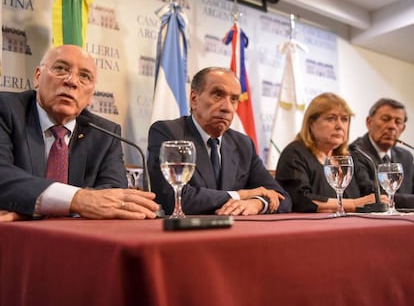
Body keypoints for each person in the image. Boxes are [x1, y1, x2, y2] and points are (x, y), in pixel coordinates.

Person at [0, 44, 159, 221]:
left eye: (84, 76)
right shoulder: (6, 110)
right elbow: (3, 175)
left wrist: (35, 208)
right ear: (37, 77)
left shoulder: (105, 133)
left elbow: (112, 192)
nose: (72, 81)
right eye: (60, 69)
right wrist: (78, 200)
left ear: (91, 96)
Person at [147, 67, 292, 215]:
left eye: (234, 99)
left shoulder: (243, 144)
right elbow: (173, 198)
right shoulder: (168, 133)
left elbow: (283, 198)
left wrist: (258, 203)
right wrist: (241, 195)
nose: (227, 108)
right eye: (217, 95)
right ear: (194, 99)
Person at [275, 92, 386, 213]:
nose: (339, 126)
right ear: (311, 123)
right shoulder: (295, 154)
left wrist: (380, 199)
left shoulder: (350, 156)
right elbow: (301, 199)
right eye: (331, 118)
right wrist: (354, 204)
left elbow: (369, 193)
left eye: (344, 119)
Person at [350, 98, 414, 208]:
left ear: (402, 129)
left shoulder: (405, 156)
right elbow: (374, 196)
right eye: (385, 119)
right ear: (369, 122)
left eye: (398, 122)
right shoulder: (356, 152)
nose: (392, 126)